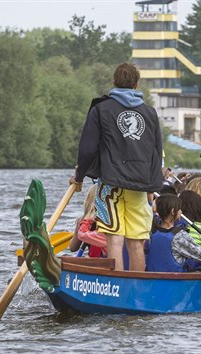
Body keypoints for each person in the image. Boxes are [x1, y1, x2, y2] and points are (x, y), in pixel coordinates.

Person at [69, 62, 163, 271]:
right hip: (140, 184)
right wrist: (153, 184)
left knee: (114, 240)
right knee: (136, 243)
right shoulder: (150, 113)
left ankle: (117, 286)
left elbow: (87, 149)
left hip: (110, 184)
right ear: (136, 84)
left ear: (114, 82)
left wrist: (79, 176)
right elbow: (157, 151)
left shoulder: (101, 109)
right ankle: (136, 290)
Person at [146, 194, 201, 272]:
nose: (181, 211)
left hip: (151, 280)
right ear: (173, 211)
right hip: (173, 281)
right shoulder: (179, 236)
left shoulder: (151, 231)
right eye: (179, 209)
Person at [69, 184, 106, 258]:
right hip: (114, 259)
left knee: (65, 256)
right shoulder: (115, 220)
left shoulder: (83, 221)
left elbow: (73, 248)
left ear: (88, 201)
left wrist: (80, 225)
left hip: (95, 262)